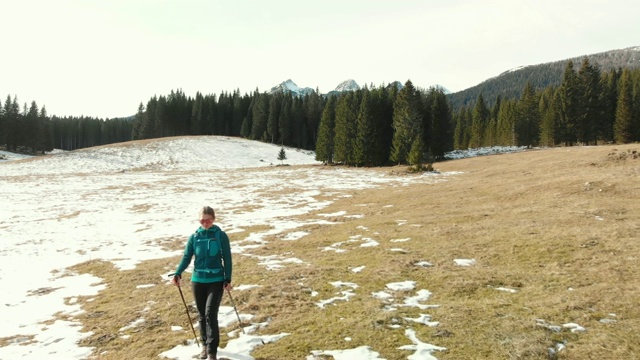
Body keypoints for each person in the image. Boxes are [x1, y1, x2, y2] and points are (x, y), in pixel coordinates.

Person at [171, 206, 233, 360]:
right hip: (198, 280)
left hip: (216, 280)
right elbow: (187, 257)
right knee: (201, 315)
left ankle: (212, 352)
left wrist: (228, 278)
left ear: (214, 219)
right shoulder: (194, 237)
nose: (205, 223)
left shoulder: (221, 236)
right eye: (202, 220)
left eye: (209, 220)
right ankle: (204, 345)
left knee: (210, 314)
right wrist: (178, 272)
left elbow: (227, 258)